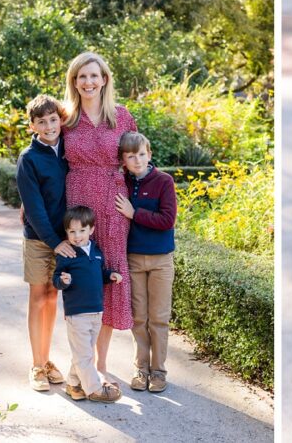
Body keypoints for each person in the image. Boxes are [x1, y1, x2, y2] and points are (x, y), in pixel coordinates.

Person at [61, 50, 137, 380]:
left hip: (114, 206)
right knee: (81, 280)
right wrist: (28, 198)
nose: (88, 82)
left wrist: (143, 204)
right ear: (74, 82)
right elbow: (48, 162)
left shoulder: (121, 116)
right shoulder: (64, 119)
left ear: (104, 79)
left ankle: (100, 364)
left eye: (94, 76)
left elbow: (139, 159)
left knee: (109, 278)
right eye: (82, 76)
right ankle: (81, 360)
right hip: (78, 205)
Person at [16, 93, 74, 391]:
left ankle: (47, 359)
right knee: (38, 298)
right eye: (42, 122)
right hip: (41, 240)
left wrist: (67, 240)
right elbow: (34, 208)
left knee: (53, 296)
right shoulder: (29, 159)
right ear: (33, 126)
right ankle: (37, 366)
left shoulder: (68, 150)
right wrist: (54, 242)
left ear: (60, 120)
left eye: (54, 120)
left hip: (66, 239)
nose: (50, 126)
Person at [114, 131, 176, 393]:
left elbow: (166, 220)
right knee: (139, 318)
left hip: (161, 260)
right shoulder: (123, 184)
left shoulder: (163, 181)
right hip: (134, 259)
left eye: (141, 154)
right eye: (131, 156)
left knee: (158, 318)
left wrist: (134, 213)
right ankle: (141, 368)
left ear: (149, 154)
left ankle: (159, 371)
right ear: (124, 160)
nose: (137, 160)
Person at [53, 205, 124, 402]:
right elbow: (56, 278)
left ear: (91, 230)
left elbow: (98, 275)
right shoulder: (66, 254)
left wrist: (110, 275)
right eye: (72, 232)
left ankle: (73, 384)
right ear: (66, 232)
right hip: (77, 313)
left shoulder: (97, 251)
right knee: (84, 355)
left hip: (96, 311)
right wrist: (63, 281)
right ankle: (95, 389)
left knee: (83, 352)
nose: (77, 236)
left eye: (82, 231)